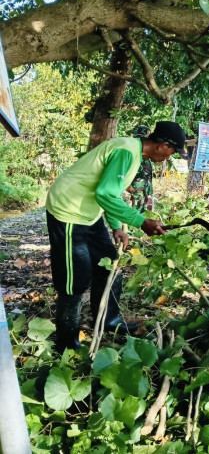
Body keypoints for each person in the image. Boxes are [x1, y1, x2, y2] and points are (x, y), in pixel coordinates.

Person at [46, 121, 187, 352]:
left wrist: (116, 227)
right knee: (74, 280)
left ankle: (109, 320)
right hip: (69, 211)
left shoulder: (134, 153)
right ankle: (67, 343)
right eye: (173, 151)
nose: (170, 157)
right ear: (163, 145)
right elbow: (105, 193)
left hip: (89, 213)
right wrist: (141, 222)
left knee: (110, 263)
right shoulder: (126, 151)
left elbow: (110, 193)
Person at [126, 125, 154, 212]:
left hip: (147, 184)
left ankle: (144, 223)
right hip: (136, 184)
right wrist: (128, 184)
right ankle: (133, 224)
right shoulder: (132, 149)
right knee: (135, 207)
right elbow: (126, 168)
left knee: (148, 209)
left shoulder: (146, 148)